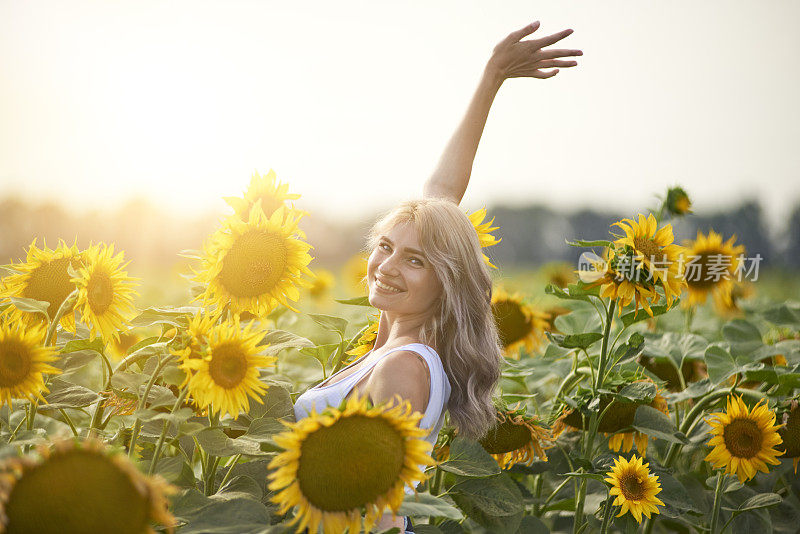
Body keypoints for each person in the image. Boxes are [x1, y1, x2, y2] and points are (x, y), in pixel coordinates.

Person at [292, 21, 581, 533]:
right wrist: (491, 77)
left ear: (445, 283)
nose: (387, 266)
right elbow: (441, 193)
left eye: (415, 260)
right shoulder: (392, 341)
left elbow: (383, 511)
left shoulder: (404, 368)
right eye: (385, 247)